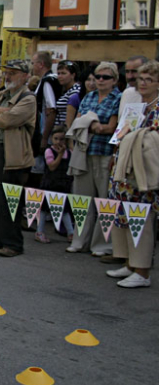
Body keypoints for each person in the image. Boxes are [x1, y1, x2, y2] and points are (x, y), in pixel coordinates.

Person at [105, 60, 159, 288]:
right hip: (124, 168)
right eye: (140, 79)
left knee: (141, 220)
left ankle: (143, 271)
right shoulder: (138, 106)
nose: (143, 83)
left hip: (141, 171)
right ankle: (129, 262)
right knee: (123, 217)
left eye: (149, 79)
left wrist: (134, 136)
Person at [0, 59, 37, 257]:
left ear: (25, 76)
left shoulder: (28, 98)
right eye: (6, 73)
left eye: (13, 73)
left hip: (11, 154)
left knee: (8, 200)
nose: (7, 76)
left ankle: (12, 243)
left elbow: (9, 120)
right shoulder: (2, 94)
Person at [66, 62, 121, 256]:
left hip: (105, 153)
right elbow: (79, 122)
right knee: (81, 199)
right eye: (98, 76)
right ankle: (79, 240)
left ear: (114, 80)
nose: (100, 80)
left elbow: (111, 127)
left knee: (105, 201)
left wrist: (91, 124)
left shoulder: (118, 98)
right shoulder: (88, 96)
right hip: (84, 151)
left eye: (105, 77)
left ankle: (101, 244)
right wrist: (94, 124)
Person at [34, 126, 74, 244]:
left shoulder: (69, 153)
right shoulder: (49, 151)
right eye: (56, 139)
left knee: (64, 209)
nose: (58, 142)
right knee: (44, 209)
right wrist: (60, 155)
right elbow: (52, 166)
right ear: (52, 139)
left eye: (61, 139)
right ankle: (39, 231)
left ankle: (70, 233)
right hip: (50, 184)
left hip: (63, 185)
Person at [55, 60, 81, 129]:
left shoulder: (75, 91)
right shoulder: (66, 90)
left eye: (63, 73)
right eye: (58, 73)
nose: (60, 76)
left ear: (73, 75)